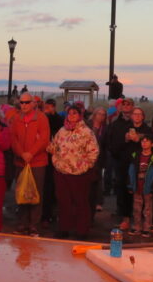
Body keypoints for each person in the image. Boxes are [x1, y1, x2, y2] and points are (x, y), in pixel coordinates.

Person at [48, 105, 99, 239]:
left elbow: (93, 152)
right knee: (63, 202)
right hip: (61, 172)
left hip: (79, 174)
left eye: (74, 113)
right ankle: (64, 228)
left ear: (80, 115)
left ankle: (82, 231)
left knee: (80, 202)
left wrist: (84, 166)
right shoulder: (61, 131)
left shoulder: (86, 132)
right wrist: (54, 155)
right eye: (69, 113)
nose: (71, 116)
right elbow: (54, 146)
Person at [9, 92, 50, 236]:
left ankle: (33, 225)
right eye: (22, 102)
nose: (24, 105)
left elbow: (44, 139)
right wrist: (22, 154)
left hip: (37, 162)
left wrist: (31, 153)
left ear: (33, 103)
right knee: (21, 193)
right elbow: (13, 139)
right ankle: (22, 223)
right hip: (21, 162)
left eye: (27, 102)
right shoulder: (15, 119)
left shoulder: (41, 118)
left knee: (36, 194)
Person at [123, 131, 153, 236]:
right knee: (136, 208)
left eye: (147, 141)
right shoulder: (136, 155)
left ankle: (147, 227)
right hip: (137, 186)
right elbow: (131, 171)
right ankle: (136, 226)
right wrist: (130, 184)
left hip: (148, 186)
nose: (144, 143)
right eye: (143, 141)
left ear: (152, 144)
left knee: (148, 209)